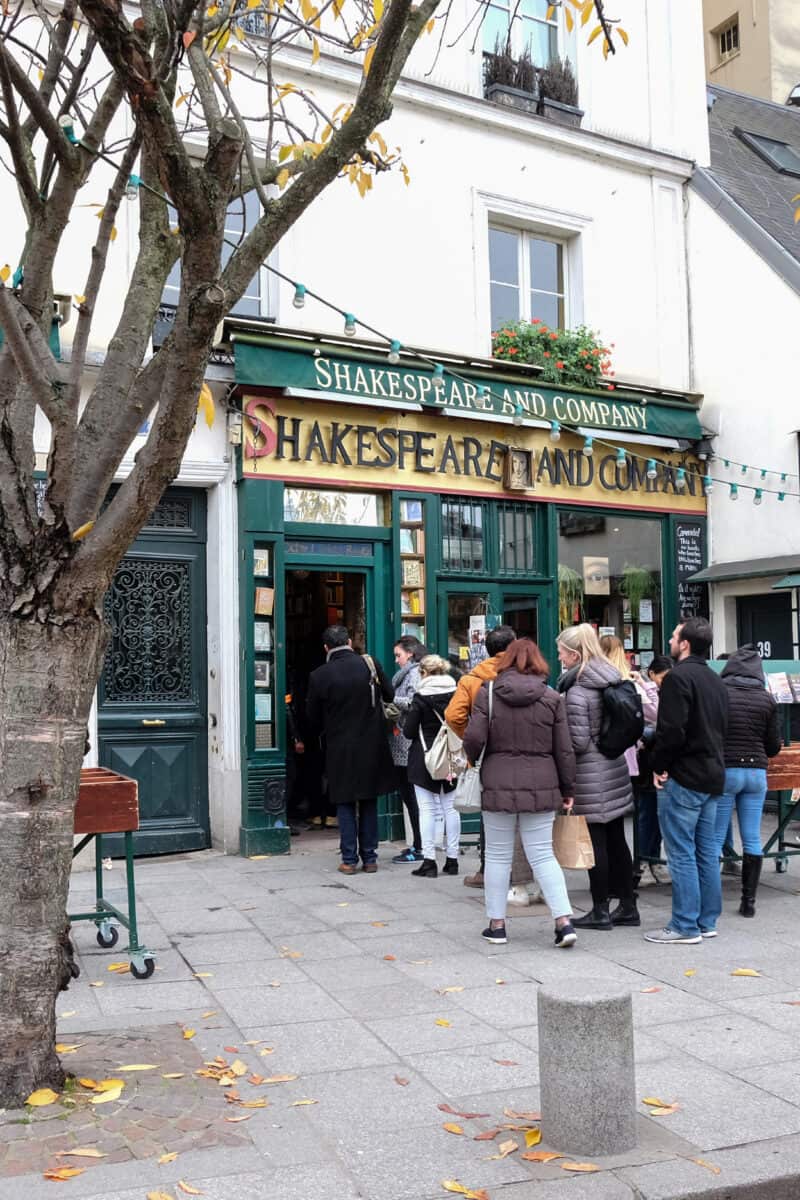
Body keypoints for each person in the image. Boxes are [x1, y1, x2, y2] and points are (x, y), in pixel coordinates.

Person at [463, 638, 577, 948]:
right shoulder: (552, 698)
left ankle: (497, 925)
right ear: (538, 663)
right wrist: (568, 788)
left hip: (497, 781)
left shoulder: (488, 695)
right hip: (542, 783)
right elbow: (564, 750)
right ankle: (564, 922)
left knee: (498, 856)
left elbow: (473, 739)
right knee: (542, 854)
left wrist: (473, 759)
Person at [645, 617, 728, 944]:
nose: (669, 639)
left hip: (684, 775)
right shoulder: (714, 678)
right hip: (711, 774)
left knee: (680, 851)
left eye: (674, 636)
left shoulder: (678, 678)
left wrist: (658, 764)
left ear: (686, 644)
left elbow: (671, 731)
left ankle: (684, 925)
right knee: (706, 850)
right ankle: (707, 920)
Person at [556, 623, 637, 930]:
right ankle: (628, 905)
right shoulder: (611, 679)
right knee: (617, 839)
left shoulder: (578, 691)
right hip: (613, 767)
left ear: (575, 654)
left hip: (591, 773)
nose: (560, 657)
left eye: (563, 651)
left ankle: (601, 909)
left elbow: (577, 742)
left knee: (595, 844)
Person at [306, 625, 396, 875]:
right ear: (349, 641)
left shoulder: (319, 675)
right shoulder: (370, 664)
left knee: (344, 801)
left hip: (339, 746)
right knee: (368, 799)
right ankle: (370, 858)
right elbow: (390, 694)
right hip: (372, 743)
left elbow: (311, 718)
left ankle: (348, 859)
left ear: (326, 648)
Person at [445, 625, 523, 892]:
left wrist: (471, 738)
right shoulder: (529, 675)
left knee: (489, 810)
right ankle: (521, 870)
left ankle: (486, 869)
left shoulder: (471, 679)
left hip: (488, 753)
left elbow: (453, 716)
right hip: (526, 753)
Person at [714, 645, 781, 918]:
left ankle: (710, 901)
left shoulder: (721, 695)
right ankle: (748, 902)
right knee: (752, 838)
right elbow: (773, 747)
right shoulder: (767, 699)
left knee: (714, 838)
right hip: (756, 775)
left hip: (726, 771)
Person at [400, 655, 460, 878]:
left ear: (423, 673)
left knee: (426, 809)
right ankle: (452, 860)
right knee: (451, 808)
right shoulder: (456, 693)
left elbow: (408, 731)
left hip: (424, 757)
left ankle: (429, 861)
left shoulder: (420, 697)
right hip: (451, 756)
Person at [636, 654, 673, 886]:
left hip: (661, 759)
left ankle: (653, 858)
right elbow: (656, 715)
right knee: (646, 812)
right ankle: (642, 860)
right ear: (652, 674)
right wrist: (645, 687)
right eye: (662, 677)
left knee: (658, 814)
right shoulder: (644, 690)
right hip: (647, 758)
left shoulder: (668, 692)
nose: (664, 682)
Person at [389, 636, 426, 864]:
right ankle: (418, 844)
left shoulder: (414, 673)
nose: (396, 660)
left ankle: (420, 846)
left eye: (398, 655)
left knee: (412, 797)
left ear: (410, 654)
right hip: (401, 741)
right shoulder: (407, 673)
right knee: (408, 796)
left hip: (408, 742)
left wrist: (392, 700)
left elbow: (415, 702)